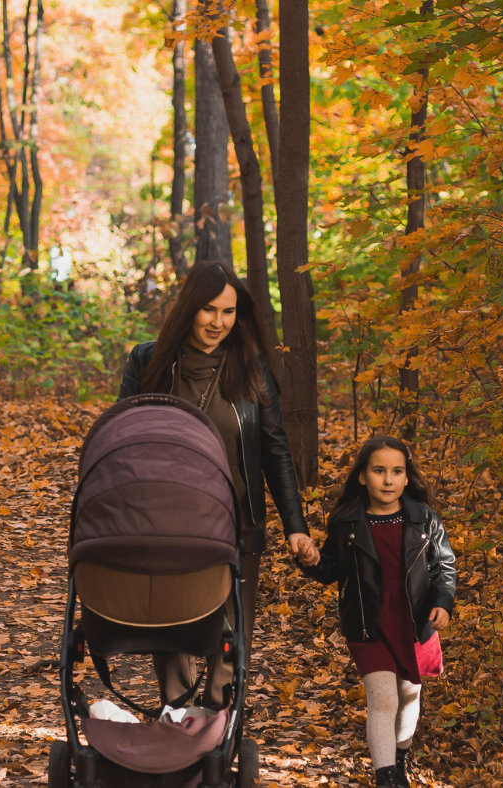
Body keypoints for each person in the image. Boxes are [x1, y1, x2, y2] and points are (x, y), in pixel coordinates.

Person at [118, 260, 319, 708]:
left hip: (234, 526)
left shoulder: (249, 367)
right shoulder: (148, 361)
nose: (218, 322)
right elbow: (124, 438)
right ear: (189, 308)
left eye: (228, 312)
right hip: (165, 523)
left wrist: (295, 526)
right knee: (169, 625)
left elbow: (274, 450)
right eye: (209, 310)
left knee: (228, 644)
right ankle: (177, 718)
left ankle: (219, 723)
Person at [301, 436, 456, 788]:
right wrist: (311, 561)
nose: (388, 480)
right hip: (367, 619)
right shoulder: (346, 522)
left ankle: (399, 758)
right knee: (383, 697)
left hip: (415, 617)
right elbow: (330, 569)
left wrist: (442, 602)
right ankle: (386, 776)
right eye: (379, 471)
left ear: (406, 477)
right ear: (362, 477)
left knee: (409, 693)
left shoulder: (424, 519)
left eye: (396, 471)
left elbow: (444, 566)